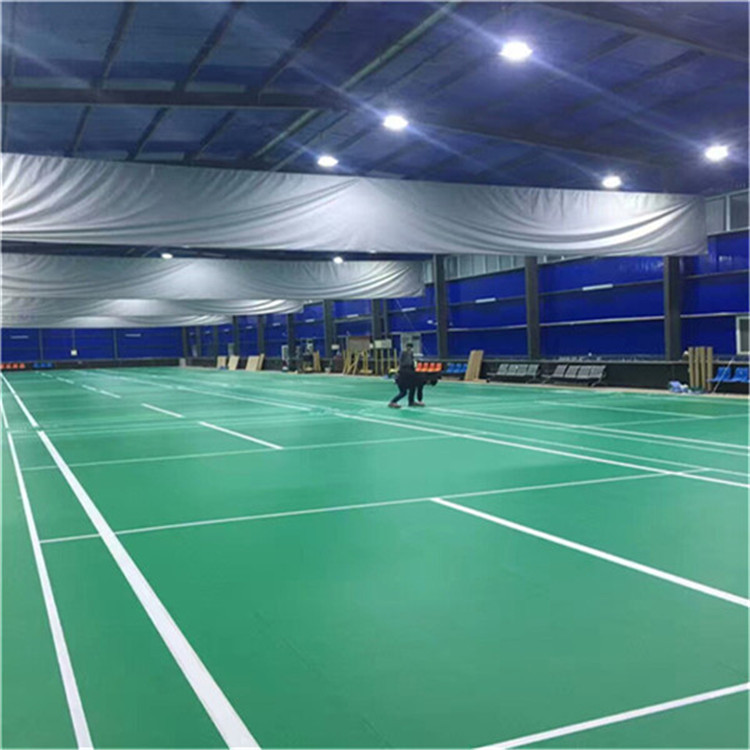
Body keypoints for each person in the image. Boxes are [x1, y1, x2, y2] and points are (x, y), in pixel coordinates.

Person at [388, 342, 420, 408]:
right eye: (408, 347)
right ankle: (393, 402)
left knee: (413, 388)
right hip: (403, 376)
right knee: (403, 392)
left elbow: (412, 363)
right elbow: (402, 363)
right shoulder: (403, 353)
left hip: (408, 374)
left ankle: (411, 402)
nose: (409, 349)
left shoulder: (411, 354)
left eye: (410, 347)